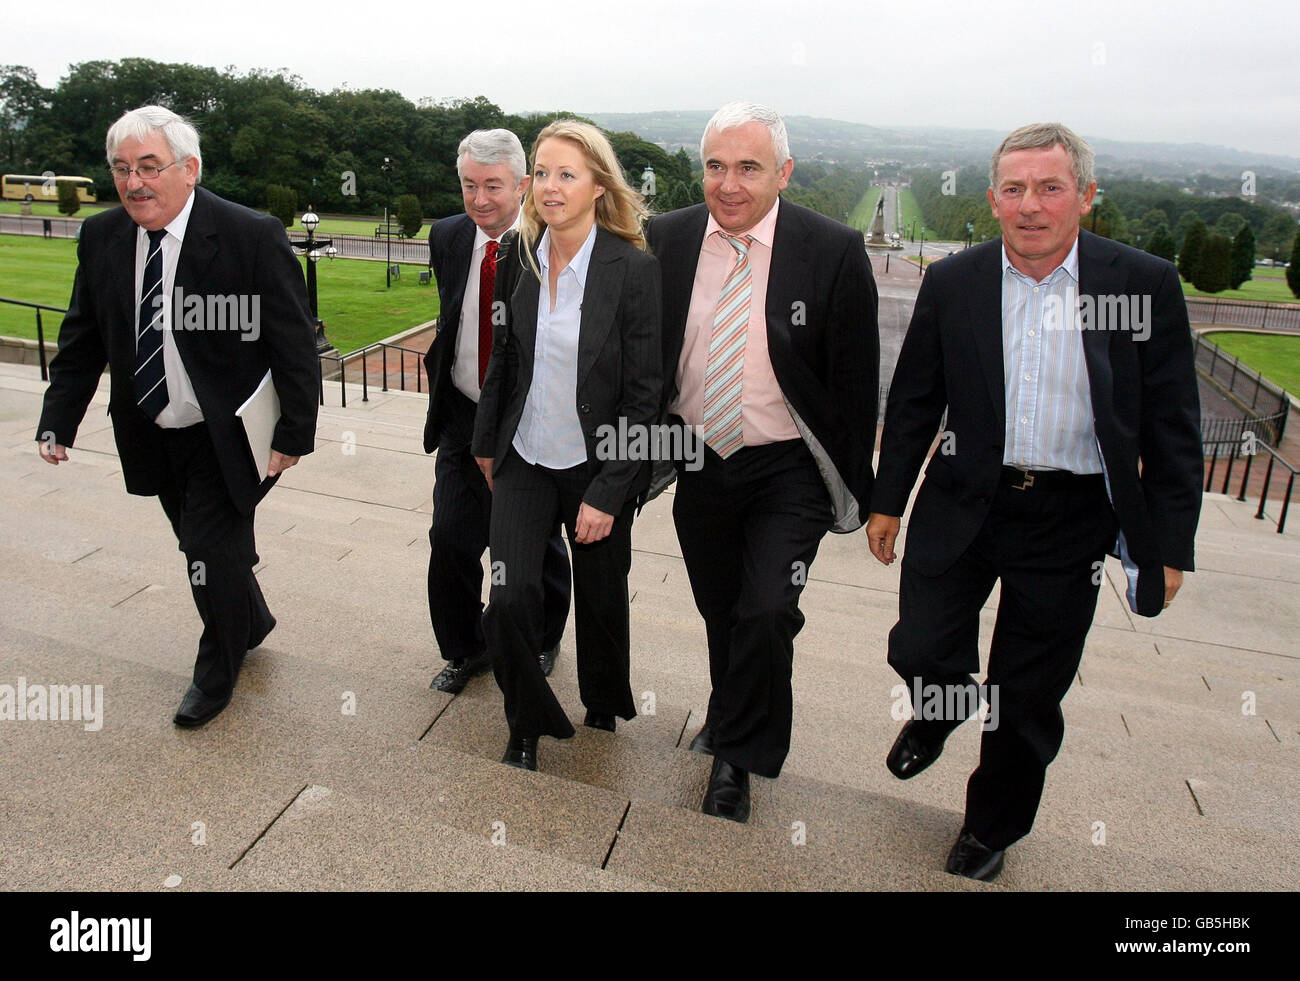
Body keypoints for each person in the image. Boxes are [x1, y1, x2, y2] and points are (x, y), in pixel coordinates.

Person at [865, 122, 1202, 881]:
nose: (1031, 205)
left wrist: (1170, 543)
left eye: (1050, 188)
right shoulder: (956, 281)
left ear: (1085, 195)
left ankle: (992, 826)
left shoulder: (1140, 284)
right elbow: (916, 397)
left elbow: (1173, 424)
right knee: (919, 644)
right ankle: (942, 704)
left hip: (1071, 519)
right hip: (963, 500)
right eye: (1014, 189)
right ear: (991, 200)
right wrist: (889, 500)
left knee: (1025, 696)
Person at [35, 105, 319, 727]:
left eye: (149, 167)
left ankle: (217, 671)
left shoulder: (250, 234)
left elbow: (293, 341)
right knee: (201, 545)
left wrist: (296, 432)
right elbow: (84, 336)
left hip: (231, 434)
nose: (134, 182)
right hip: (153, 430)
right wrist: (58, 419)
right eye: (121, 169)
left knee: (207, 550)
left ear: (189, 169)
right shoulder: (104, 236)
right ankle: (253, 618)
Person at [645, 102, 879, 822]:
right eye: (716, 165)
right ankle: (730, 709)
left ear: (784, 172)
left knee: (769, 607)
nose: (730, 183)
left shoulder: (832, 249)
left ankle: (736, 761)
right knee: (725, 611)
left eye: (748, 166)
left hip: (789, 467)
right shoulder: (668, 236)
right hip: (696, 454)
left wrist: (870, 492)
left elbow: (856, 380)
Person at [471, 120, 662, 772]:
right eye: (543, 173)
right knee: (509, 597)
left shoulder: (633, 271)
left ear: (598, 186)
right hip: (523, 454)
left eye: (567, 174)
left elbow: (645, 398)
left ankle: (604, 703)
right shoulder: (515, 256)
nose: (550, 187)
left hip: (596, 462)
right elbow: (504, 361)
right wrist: (485, 442)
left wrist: (610, 492)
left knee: (603, 599)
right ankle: (527, 721)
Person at [422, 130, 571, 695]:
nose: (479, 199)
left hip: (527, 421)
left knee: (538, 545)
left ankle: (543, 638)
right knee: (451, 540)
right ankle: (466, 648)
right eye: (468, 186)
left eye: (492, 186)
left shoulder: (552, 244)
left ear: (524, 185)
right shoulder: (449, 237)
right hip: (462, 416)